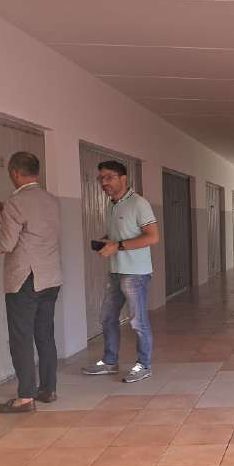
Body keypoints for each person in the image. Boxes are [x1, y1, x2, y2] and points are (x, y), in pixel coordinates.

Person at [0, 151, 62, 413]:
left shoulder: (16, 202)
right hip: (51, 277)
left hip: (25, 279)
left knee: (21, 337)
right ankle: (48, 389)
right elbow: (34, 231)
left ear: (15, 173)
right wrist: (5, 216)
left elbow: (6, 244)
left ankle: (26, 397)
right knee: (45, 334)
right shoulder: (52, 200)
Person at [82, 160, 159, 383]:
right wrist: (108, 241)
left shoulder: (139, 203)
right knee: (107, 317)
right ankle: (109, 361)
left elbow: (152, 237)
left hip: (136, 273)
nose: (104, 182)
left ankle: (144, 365)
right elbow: (122, 235)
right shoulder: (112, 205)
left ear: (123, 179)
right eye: (101, 178)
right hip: (116, 271)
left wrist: (118, 246)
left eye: (109, 177)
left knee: (138, 321)